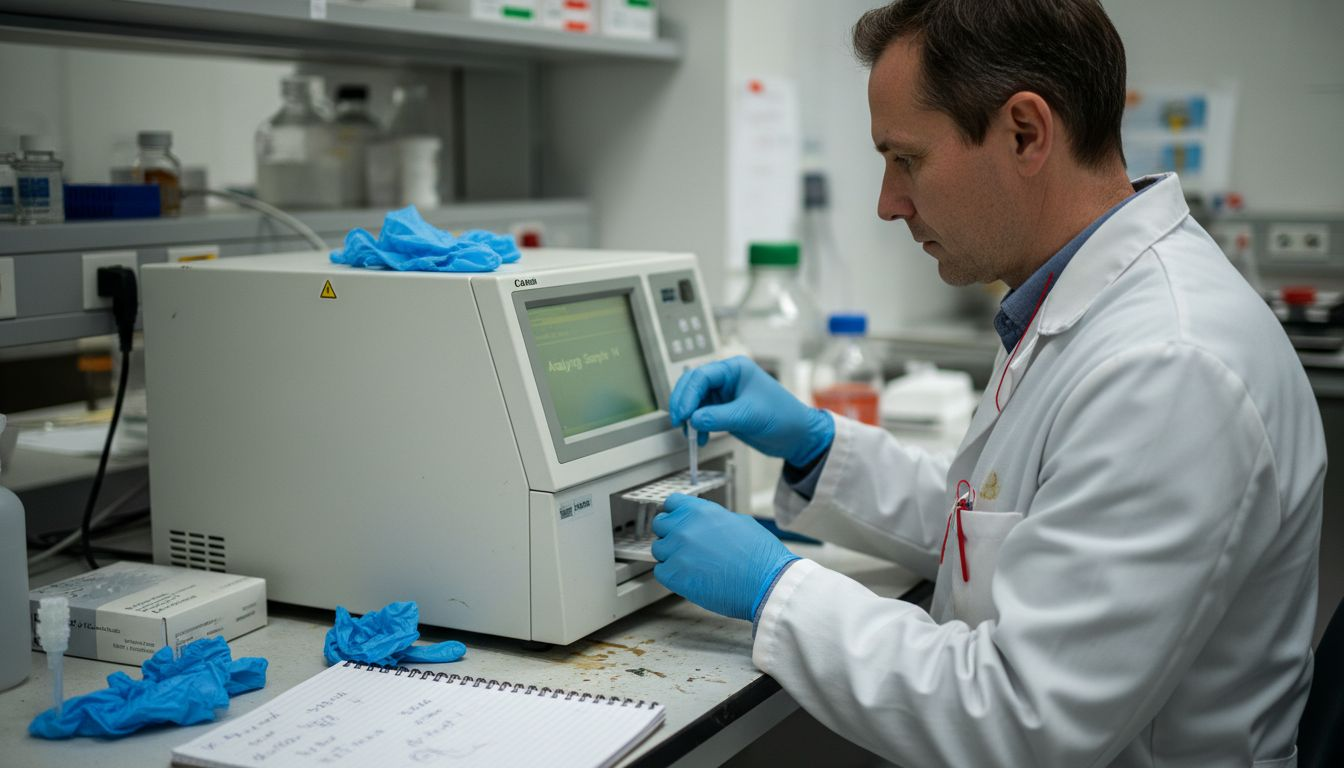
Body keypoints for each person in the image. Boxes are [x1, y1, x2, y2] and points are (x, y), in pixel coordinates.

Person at [651, 1, 1325, 765]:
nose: (887, 202)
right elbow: (999, 526)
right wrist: (817, 446)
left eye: (906, 158)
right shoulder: (1081, 301)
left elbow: (1022, 718)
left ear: (1025, 133)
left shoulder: (1171, 367)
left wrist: (777, 590)